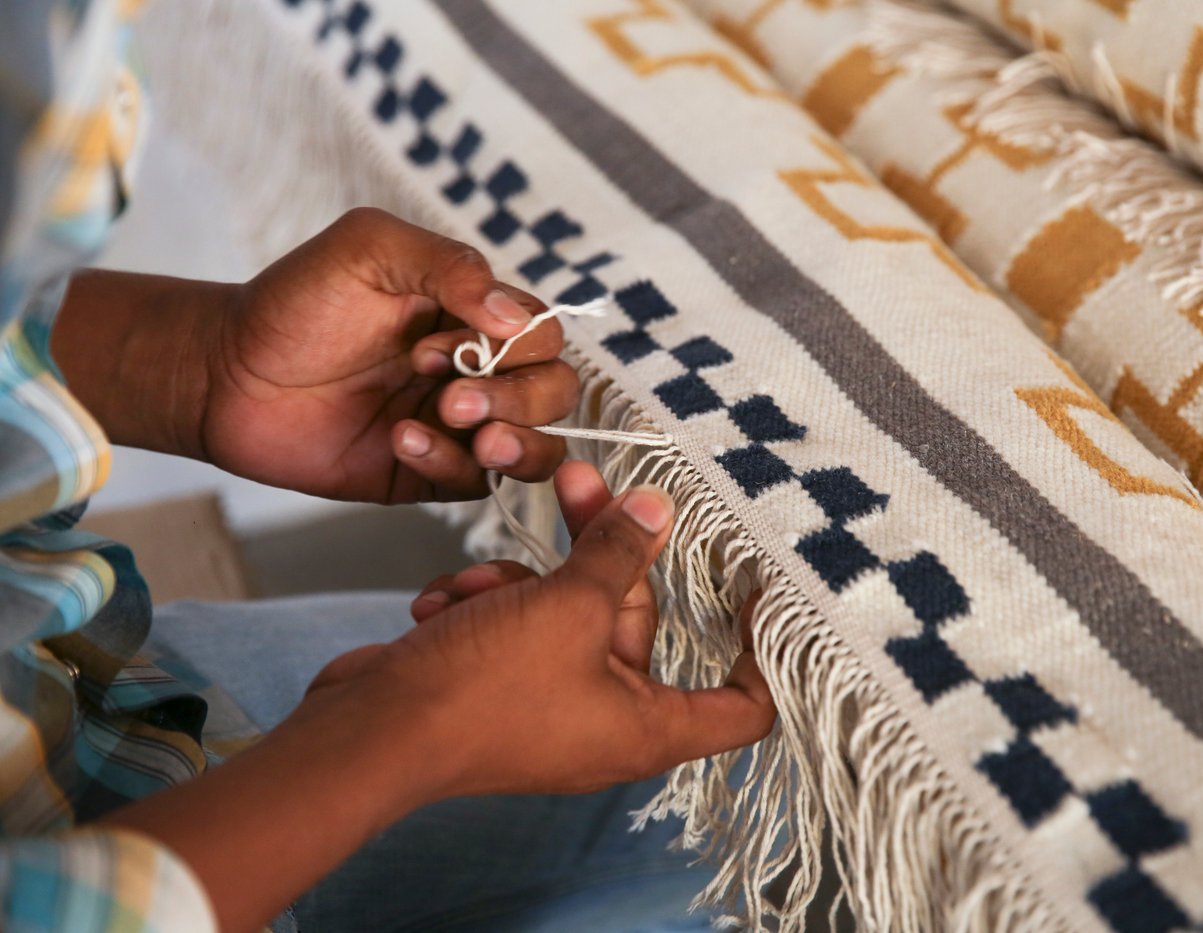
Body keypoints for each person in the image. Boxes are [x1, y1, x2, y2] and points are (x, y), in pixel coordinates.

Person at [0, 2, 776, 931]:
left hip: (81, 703)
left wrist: (189, 366)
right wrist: (410, 730)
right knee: (725, 782)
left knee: (730, 774)